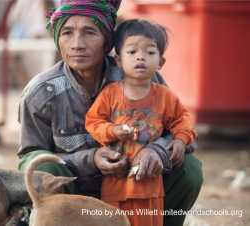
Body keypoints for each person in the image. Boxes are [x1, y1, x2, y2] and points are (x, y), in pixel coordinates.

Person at [17, 1, 203, 226]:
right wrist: (90, 160)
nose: (77, 44)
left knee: (189, 169)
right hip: (74, 198)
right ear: (57, 40)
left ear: (108, 42)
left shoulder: (142, 75)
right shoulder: (40, 94)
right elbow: (30, 160)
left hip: (137, 190)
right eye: (67, 33)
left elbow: (184, 132)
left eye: (89, 33)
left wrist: (157, 150)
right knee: (42, 167)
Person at [85, 19, 197, 226]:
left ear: (161, 63)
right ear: (118, 60)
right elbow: (93, 122)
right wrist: (112, 131)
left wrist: (181, 140)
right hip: (115, 181)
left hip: (150, 184)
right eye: (132, 52)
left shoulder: (165, 96)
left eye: (150, 53)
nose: (141, 57)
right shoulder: (110, 94)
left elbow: (182, 120)